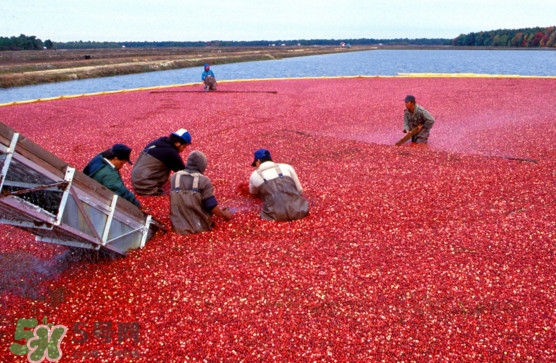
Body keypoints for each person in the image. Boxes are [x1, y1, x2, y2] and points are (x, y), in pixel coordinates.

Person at [170, 150, 232, 234]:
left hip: (177, 226)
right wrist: (224, 214)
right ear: (202, 165)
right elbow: (211, 206)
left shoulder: (174, 177)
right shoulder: (203, 181)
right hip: (198, 227)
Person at [249, 148, 309, 221]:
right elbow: (299, 190)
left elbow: (253, 192)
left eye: (255, 164)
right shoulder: (287, 167)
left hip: (273, 215)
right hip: (300, 211)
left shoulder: (254, 175)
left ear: (258, 161)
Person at [131, 128, 191, 195]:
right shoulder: (171, 153)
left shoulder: (160, 142)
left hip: (135, 179)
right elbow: (183, 172)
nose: (183, 150)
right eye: (184, 147)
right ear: (177, 143)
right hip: (145, 187)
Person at [83, 143, 141, 208]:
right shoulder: (109, 173)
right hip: (97, 200)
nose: (121, 166)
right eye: (121, 163)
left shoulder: (99, 158)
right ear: (115, 158)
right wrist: (137, 205)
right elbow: (120, 191)